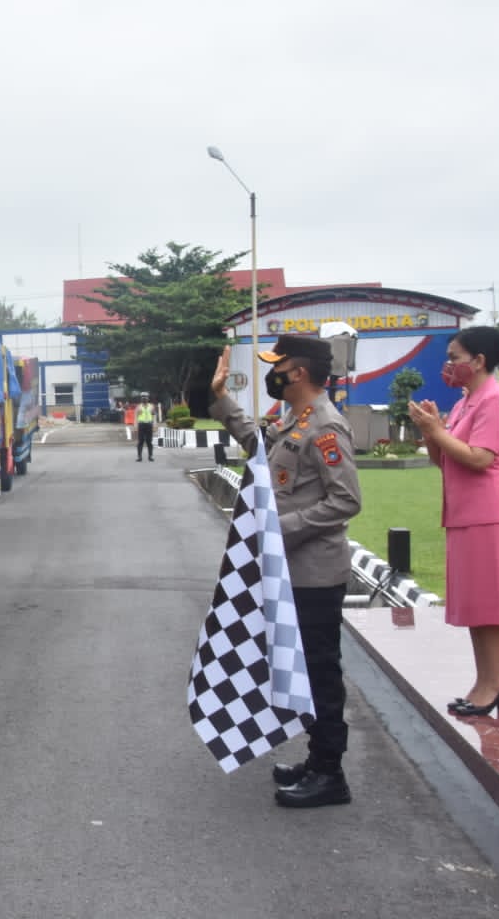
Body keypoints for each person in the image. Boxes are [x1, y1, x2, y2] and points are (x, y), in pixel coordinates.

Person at [210, 335, 362, 808]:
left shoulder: (326, 427)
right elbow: (260, 449)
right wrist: (221, 400)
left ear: (298, 372)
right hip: (290, 573)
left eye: (277, 366)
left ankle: (330, 773)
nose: (272, 373)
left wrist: (280, 528)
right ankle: (317, 760)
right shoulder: (295, 420)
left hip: (315, 573)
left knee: (319, 671)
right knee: (297, 669)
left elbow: (346, 501)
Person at [407, 326, 499, 716]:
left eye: (456, 357)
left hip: (490, 515)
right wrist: (431, 434)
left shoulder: (493, 400)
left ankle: (493, 684)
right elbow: (441, 459)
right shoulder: (464, 402)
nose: (449, 365)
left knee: (492, 606)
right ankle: (483, 681)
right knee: (478, 606)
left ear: (478, 361)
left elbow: (479, 458)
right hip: (465, 514)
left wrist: (435, 432)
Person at [135, 393, 156, 462]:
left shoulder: (151, 406)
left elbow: (154, 416)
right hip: (141, 425)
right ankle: (139, 457)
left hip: (149, 425)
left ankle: (150, 456)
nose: (144, 398)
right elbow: (136, 417)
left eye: (146, 397)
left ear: (148, 398)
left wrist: (154, 425)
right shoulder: (138, 407)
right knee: (140, 441)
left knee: (149, 441)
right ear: (141, 398)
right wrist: (135, 426)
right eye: (143, 397)